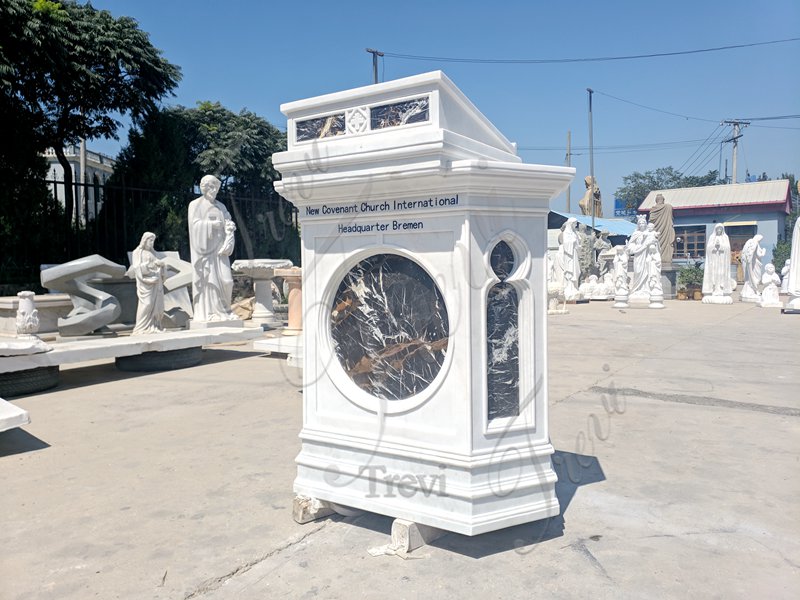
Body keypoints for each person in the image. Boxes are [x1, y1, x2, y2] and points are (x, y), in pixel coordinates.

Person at [188, 174, 238, 322]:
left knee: (227, 281)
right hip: (205, 252)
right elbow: (194, 226)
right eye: (210, 186)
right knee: (210, 282)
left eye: (216, 186)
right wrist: (211, 225)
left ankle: (225, 310)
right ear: (203, 187)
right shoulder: (195, 205)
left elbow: (228, 220)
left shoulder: (221, 206)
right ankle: (210, 313)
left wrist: (230, 226)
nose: (214, 189)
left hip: (220, 250)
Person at [129, 232, 166, 335]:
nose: (152, 243)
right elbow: (136, 267)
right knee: (147, 303)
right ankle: (140, 327)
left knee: (156, 304)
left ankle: (153, 326)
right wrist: (148, 266)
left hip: (155, 281)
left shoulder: (153, 253)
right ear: (144, 240)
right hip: (145, 284)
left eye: (153, 241)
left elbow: (159, 264)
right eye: (150, 240)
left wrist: (162, 265)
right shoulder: (137, 252)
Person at [702, 224, 734, 297]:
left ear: (722, 230)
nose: (719, 230)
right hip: (714, 260)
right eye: (718, 229)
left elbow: (728, 248)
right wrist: (714, 246)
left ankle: (721, 290)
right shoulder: (712, 237)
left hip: (722, 260)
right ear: (715, 230)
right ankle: (714, 289)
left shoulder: (725, 237)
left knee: (721, 274)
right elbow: (708, 248)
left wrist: (721, 246)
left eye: (720, 229)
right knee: (714, 274)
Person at [625, 215, 650, 298]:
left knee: (647, 271)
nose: (642, 224)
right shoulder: (636, 233)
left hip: (647, 255)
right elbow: (630, 244)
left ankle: (646, 289)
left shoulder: (649, 233)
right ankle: (637, 289)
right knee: (638, 271)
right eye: (640, 223)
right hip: (638, 255)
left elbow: (655, 244)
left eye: (643, 222)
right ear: (638, 225)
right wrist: (637, 248)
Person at [648, 193, 675, 264]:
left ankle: (662, 258)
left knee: (656, 244)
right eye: (662, 199)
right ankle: (663, 258)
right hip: (661, 231)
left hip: (661, 230)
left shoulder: (653, 209)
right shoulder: (668, 206)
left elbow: (651, 220)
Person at [740, 234, 766, 301]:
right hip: (755, 265)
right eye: (760, 239)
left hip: (754, 263)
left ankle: (746, 291)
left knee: (749, 278)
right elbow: (759, 255)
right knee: (756, 278)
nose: (760, 241)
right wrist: (764, 251)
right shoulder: (755, 243)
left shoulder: (750, 243)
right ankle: (751, 291)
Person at [562, 218, 581, 300]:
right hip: (569, 256)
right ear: (570, 224)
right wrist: (573, 241)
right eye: (575, 224)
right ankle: (570, 287)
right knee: (571, 271)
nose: (576, 225)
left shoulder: (574, 233)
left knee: (576, 270)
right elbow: (566, 243)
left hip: (574, 254)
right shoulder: (566, 233)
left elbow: (578, 243)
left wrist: (577, 242)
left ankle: (575, 287)